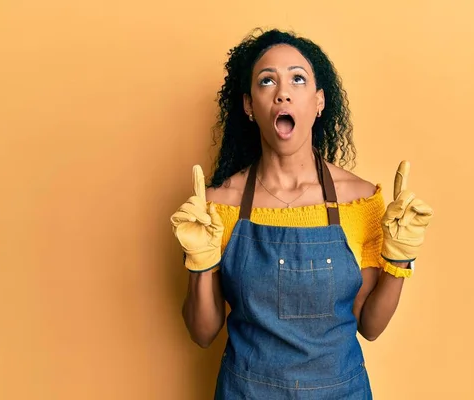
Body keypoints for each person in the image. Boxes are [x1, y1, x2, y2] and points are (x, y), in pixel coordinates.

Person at [170, 28, 433, 399]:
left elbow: (370, 326)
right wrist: (199, 265)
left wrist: (400, 259)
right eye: (267, 81)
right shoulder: (217, 206)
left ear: (318, 101)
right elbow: (202, 333)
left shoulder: (359, 200)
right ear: (249, 105)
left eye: (298, 78)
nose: (283, 91)